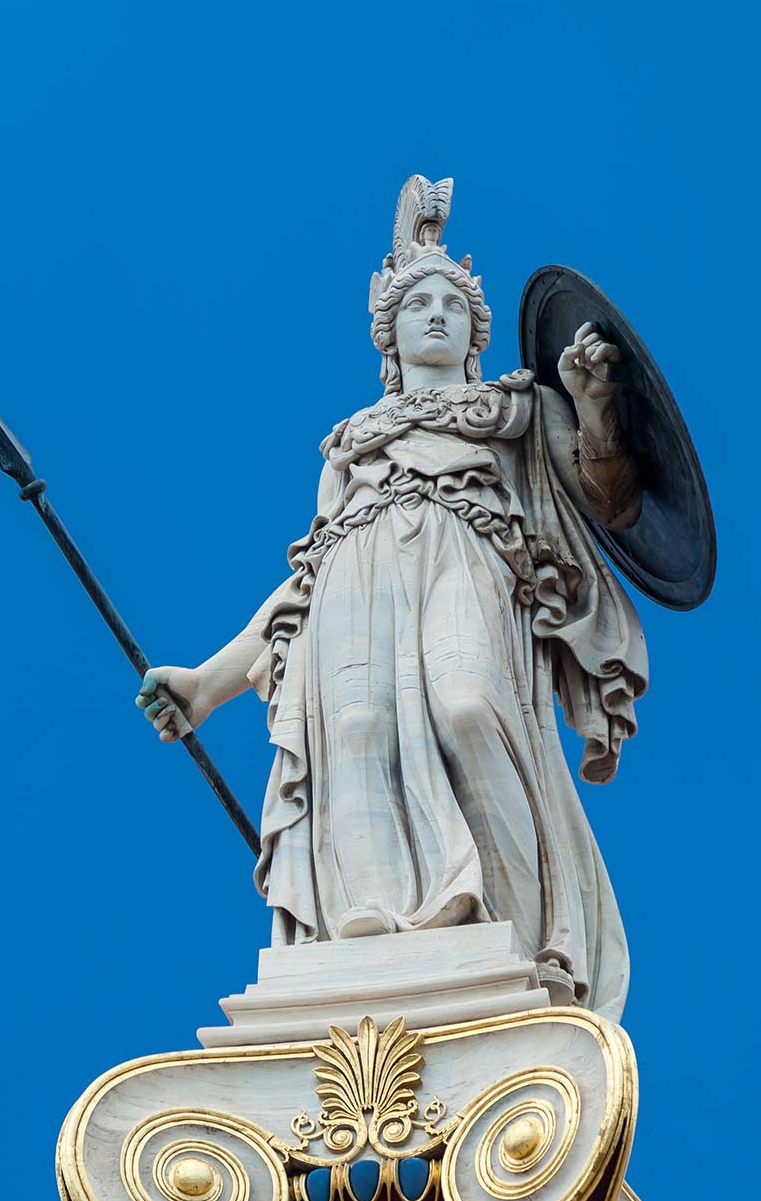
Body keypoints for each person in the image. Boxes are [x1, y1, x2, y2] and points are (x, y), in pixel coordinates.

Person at [135, 177, 650, 1020]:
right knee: (356, 726)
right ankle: (367, 916)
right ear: (391, 330)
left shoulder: (514, 409)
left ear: (478, 331)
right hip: (358, 575)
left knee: (469, 705)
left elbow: (612, 497)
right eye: (421, 304)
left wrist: (593, 409)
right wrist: (208, 684)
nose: (439, 315)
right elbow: (306, 580)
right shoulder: (350, 444)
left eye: (455, 303)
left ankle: (523, 940)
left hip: (470, 554)